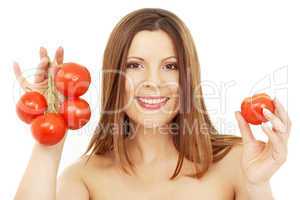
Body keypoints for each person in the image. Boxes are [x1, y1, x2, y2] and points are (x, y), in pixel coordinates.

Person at [13, 8, 291, 200]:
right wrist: (50, 133)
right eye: (135, 65)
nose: (153, 81)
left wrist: (258, 186)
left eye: (170, 66)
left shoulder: (237, 162)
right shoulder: (84, 177)